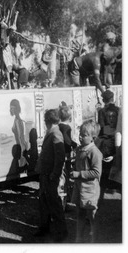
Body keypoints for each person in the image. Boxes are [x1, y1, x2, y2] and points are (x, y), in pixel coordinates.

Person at [34, 109, 67, 242]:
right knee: (44, 201)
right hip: (45, 174)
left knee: (54, 203)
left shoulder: (55, 133)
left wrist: (55, 174)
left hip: (50, 175)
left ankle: (61, 232)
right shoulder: (53, 132)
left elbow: (60, 158)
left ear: (47, 121)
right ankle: (45, 227)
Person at [71, 120, 102, 242]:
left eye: (84, 135)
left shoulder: (94, 152)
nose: (80, 136)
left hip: (90, 190)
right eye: (80, 133)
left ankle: (94, 241)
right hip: (80, 188)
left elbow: (96, 172)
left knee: (92, 217)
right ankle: (79, 240)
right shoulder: (80, 149)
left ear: (93, 138)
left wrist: (78, 174)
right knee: (80, 214)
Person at [95, 90, 120, 200]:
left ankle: (104, 186)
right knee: (115, 162)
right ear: (113, 98)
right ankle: (114, 187)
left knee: (105, 164)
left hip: (105, 140)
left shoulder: (101, 111)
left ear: (103, 99)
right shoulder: (118, 110)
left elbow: (100, 125)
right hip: (116, 138)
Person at [58, 103, 78, 208]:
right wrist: (74, 145)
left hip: (59, 153)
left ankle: (65, 198)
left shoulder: (58, 126)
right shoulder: (66, 127)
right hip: (65, 154)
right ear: (69, 117)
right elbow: (67, 140)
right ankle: (64, 202)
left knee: (62, 176)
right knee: (65, 176)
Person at [10, 99, 29, 173]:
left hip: (20, 146)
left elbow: (21, 136)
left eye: (13, 108)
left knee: (21, 167)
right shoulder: (16, 119)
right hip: (19, 146)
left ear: (16, 108)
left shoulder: (18, 121)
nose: (12, 110)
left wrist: (22, 148)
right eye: (11, 108)